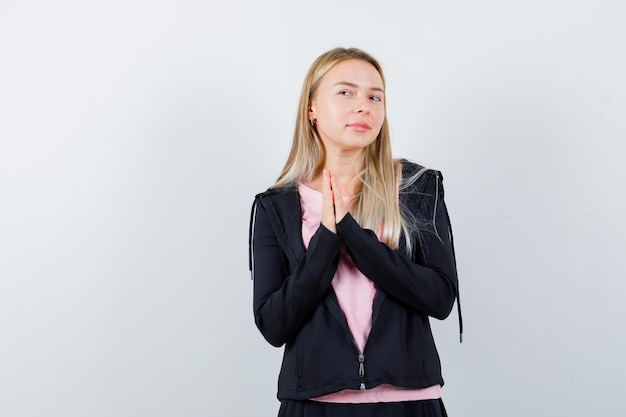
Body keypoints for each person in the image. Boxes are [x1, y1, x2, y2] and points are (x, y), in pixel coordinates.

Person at [248, 47, 461, 417]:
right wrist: (327, 240)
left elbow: (441, 299)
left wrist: (352, 232)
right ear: (311, 108)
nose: (364, 106)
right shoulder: (275, 206)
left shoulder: (417, 187)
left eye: (374, 96)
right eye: (346, 92)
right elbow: (274, 325)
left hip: (410, 403)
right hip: (313, 406)